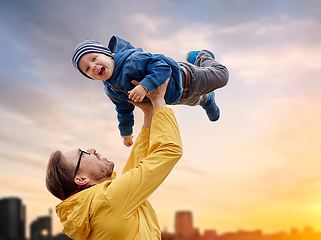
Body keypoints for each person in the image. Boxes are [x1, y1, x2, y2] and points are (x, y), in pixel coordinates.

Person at [45, 80, 183, 239]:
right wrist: (159, 100)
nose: (92, 150)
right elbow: (169, 151)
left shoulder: (95, 206)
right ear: (81, 179)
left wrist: (149, 112)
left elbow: (137, 166)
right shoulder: (108, 200)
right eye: (83, 153)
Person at [72, 36, 229, 147]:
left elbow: (162, 67)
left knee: (222, 76)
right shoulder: (111, 89)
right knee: (198, 100)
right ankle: (208, 101)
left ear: (107, 54)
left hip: (188, 78)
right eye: (87, 69)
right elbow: (123, 109)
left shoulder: (132, 60)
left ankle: (201, 57)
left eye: (94, 58)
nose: (92, 66)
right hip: (177, 97)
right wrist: (126, 133)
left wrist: (144, 86)